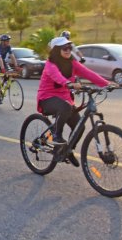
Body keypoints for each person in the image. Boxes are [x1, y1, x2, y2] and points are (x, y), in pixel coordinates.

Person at [37, 36, 117, 167]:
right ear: (57, 50)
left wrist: (106, 84)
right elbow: (57, 77)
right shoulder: (50, 65)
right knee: (66, 107)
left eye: (69, 47)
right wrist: (69, 83)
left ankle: (68, 151)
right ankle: (57, 135)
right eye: (64, 48)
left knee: (79, 127)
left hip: (65, 99)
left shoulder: (72, 62)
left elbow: (88, 73)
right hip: (47, 98)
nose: (68, 50)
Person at [0, 34, 19, 105]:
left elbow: (12, 56)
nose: (9, 42)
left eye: (9, 40)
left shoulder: (8, 47)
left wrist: (16, 66)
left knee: (8, 73)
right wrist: (2, 69)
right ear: (2, 42)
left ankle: (2, 85)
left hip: (2, 61)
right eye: (7, 41)